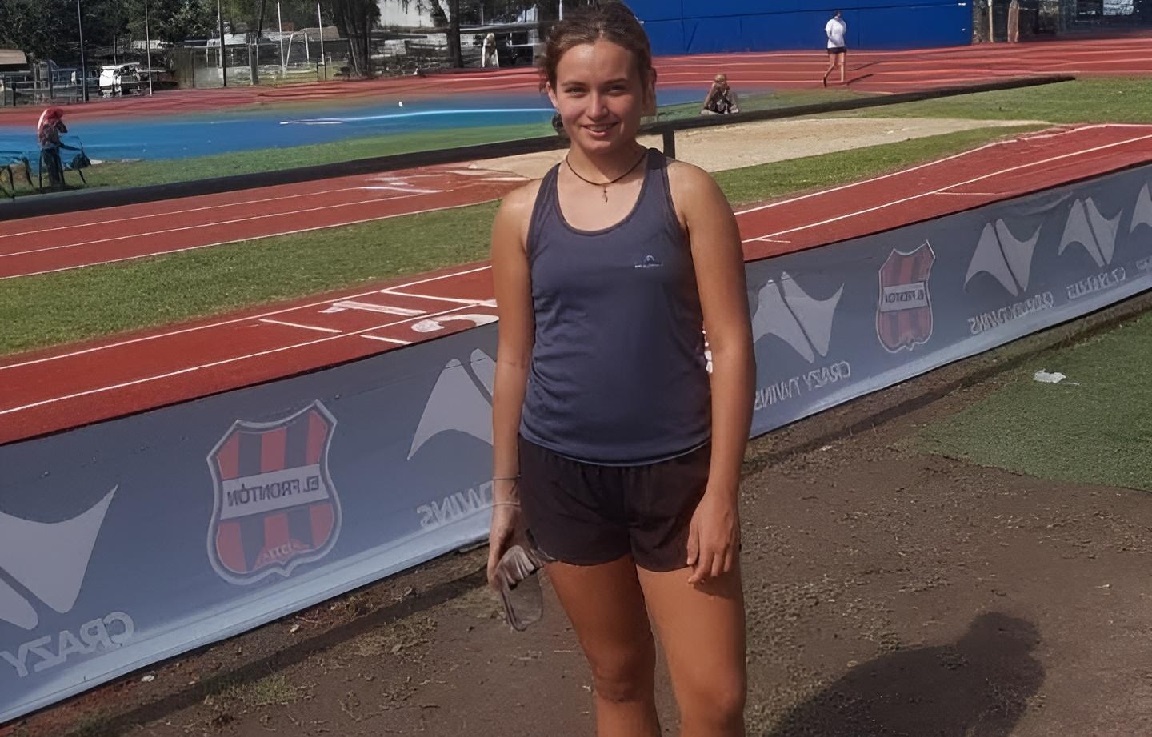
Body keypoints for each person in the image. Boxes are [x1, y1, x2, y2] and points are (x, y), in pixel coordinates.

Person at [487, 3, 755, 737]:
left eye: (615, 88)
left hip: (676, 475)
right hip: (564, 477)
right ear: (551, 92)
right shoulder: (520, 214)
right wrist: (506, 495)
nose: (597, 109)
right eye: (577, 90)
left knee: (716, 700)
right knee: (618, 676)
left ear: (647, 89)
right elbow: (513, 357)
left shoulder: (689, 193)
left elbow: (732, 346)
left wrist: (721, 493)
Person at [36, 107, 79, 191]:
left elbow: (63, 130)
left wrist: (59, 124)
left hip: (53, 146)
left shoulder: (54, 122)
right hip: (47, 147)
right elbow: (46, 137)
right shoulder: (46, 123)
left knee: (57, 165)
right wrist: (55, 142)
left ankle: (60, 183)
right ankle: (55, 184)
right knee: (51, 166)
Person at [823, 10, 848, 87]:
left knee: (843, 63)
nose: (838, 17)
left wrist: (839, 41)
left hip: (841, 45)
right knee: (833, 65)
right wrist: (834, 40)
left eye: (839, 15)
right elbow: (828, 34)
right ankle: (825, 76)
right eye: (837, 15)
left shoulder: (843, 23)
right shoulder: (830, 23)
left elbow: (843, 32)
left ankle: (843, 81)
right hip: (832, 46)